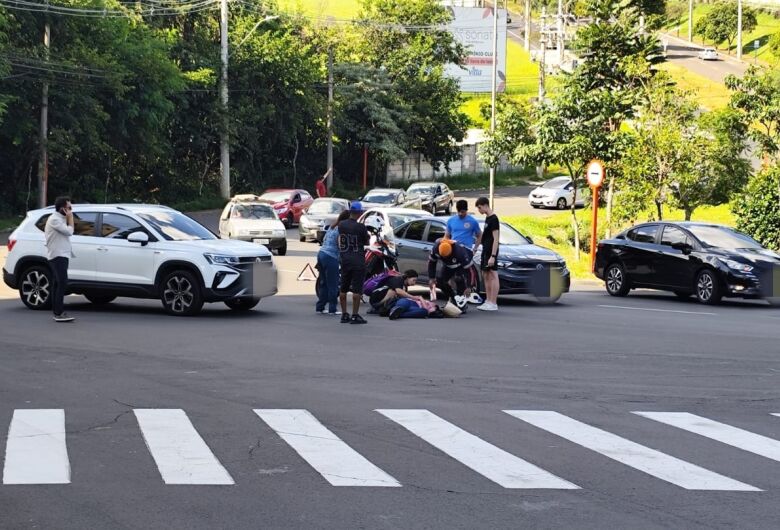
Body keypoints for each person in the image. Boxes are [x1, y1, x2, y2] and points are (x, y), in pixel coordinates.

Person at [338, 201, 370, 324]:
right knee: (357, 289)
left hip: (345, 259)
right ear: (360, 212)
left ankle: (344, 314)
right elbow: (366, 242)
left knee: (343, 288)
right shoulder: (361, 227)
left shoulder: (342, 225)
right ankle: (355, 315)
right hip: (358, 259)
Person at [45, 196, 75, 323]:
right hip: (58, 255)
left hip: (62, 254)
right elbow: (69, 232)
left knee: (58, 283)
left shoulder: (60, 218)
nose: (71, 210)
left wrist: (68, 218)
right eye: (69, 207)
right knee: (62, 283)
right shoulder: (55, 219)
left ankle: (57, 311)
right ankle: (58, 313)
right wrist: (70, 218)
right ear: (62, 209)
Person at [427, 238, 477, 310]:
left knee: (459, 279)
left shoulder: (460, 252)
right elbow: (431, 263)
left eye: (446, 256)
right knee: (440, 281)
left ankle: (461, 304)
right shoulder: (435, 248)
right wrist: (431, 277)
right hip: (448, 265)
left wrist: (469, 286)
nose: (445, 258)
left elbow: (470, 271)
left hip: (460, 265)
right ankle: (453, 298)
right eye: (443, 257)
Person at [316, 210, 350, 315]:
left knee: (324, 283)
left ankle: (320, 307)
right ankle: (332, 309)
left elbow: (325, 239)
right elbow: (340, 244)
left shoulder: (332, 226)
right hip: (331, 257)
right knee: (333, 284)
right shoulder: (341, 229)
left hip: (321, 254)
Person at [475, 197, 500, 312]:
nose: (479, 210)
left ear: (485, 205)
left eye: (479, 207)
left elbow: (496, 238)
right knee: (485, 275)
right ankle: (488, 300)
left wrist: (493, 256)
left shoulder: (494, 219)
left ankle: (493, 302)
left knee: (493, 275)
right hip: (485, 250)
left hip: (491, 251)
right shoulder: (487, 218)